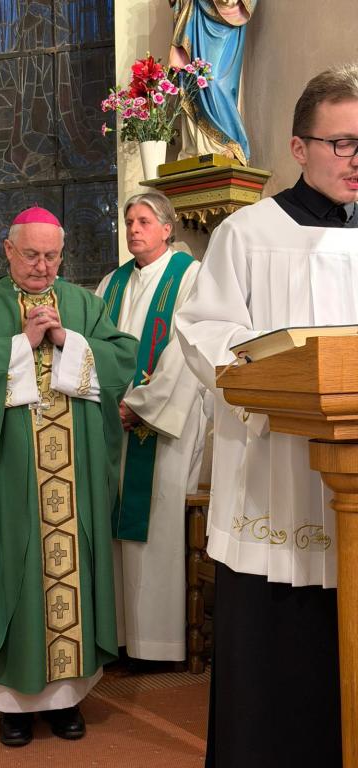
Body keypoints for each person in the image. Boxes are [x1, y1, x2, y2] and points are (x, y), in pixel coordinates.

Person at [175, 64, 358, 768]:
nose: (355, 158)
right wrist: (270, 369)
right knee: (282, 671)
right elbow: (205, 330)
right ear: (299, 147)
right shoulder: (248, 233)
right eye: (342, 143)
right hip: (277, 480)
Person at [0, 207, 137, 747]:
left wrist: (70, 341)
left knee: (72, 576)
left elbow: (123, 356)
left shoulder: (84, 304)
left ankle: (67, 700)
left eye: (51, 256)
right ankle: (13, 706)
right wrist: (20, 344)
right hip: (10, 476)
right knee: (15, 573)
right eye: (31, 255)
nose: (42, 266)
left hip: (76, 478)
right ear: (8, 250)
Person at [96, 192, 205, 669]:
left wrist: (141, 407)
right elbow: (95, 346)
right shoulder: (111, 283)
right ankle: (120, 636)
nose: (134, 229)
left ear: (167, 228)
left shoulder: (191, 276)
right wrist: (108, 404)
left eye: (143, 221)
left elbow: (186, 348)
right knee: (115, 529)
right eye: (129, 221)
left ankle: (157, 645)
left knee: (155, 529)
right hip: (114, 423)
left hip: (161, 425)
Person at [168, 0, 258, 165]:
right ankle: (195, 147)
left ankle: (227, 142)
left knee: (214, 82)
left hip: (225, 24)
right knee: (193, 79)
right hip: (196, 18)